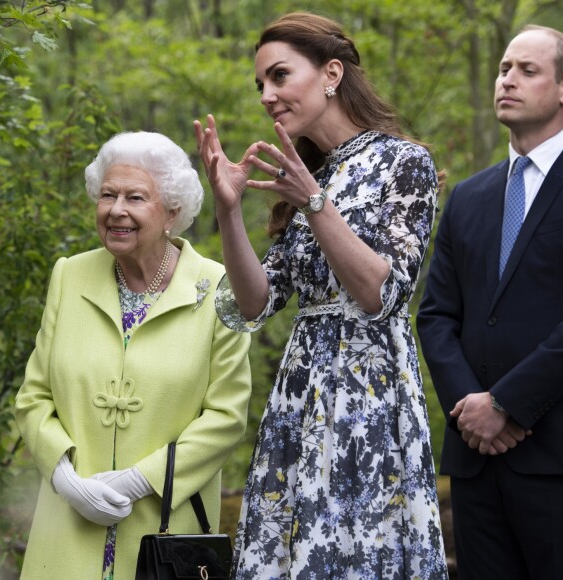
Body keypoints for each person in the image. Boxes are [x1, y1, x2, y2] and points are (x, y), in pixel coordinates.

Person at [194, 12, 447, 579]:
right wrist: (228, 210)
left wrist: (315, 203)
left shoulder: (404, 163)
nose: (267, 95)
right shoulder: (308, 175)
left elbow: (380, 292)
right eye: (260, 84)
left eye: (279, 76)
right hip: (299, 395)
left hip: (368, 402)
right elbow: (255, 303)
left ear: (332, 73)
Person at [14, 131, 252, 579]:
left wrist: (138, 480)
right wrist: (66, 478)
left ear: (172, 212)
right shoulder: (69, 275)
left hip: (162, 536)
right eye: (107, 195)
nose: (116, 210)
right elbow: (33, 397)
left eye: (135, 197)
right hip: (68, 526)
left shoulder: (219, 287)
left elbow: (226, 416)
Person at [417, 24, 563, 580]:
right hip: (475, 463)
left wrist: (507, 403)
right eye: (504, 68)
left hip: (553, 456)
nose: (508, 79)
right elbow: (436, 315)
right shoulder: (469, 196)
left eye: (528, 70)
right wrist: (472, 410)